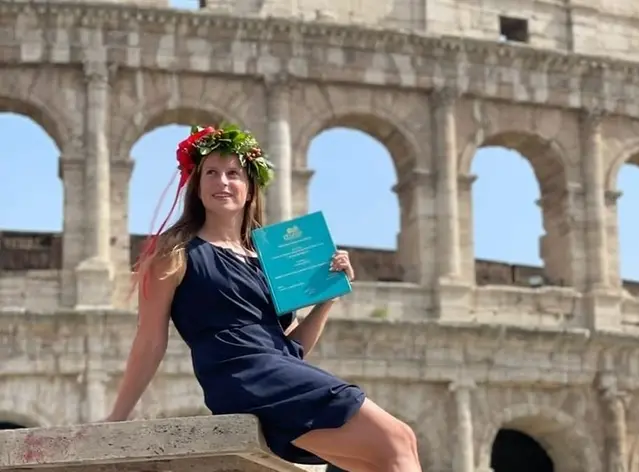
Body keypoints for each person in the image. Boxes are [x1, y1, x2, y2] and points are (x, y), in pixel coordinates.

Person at [105, 124, 423, 472]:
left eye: (233, 173)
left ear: (249, 187)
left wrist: (327, 297)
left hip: (277, 375)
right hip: (240, 379)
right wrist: (117, 416)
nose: (222, 182)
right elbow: (150, 341)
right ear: (196, 185)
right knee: (398, 439)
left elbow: (292, 349)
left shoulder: (268, 258)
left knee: (380, 461)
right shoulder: (175, 252)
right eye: (211, 172)